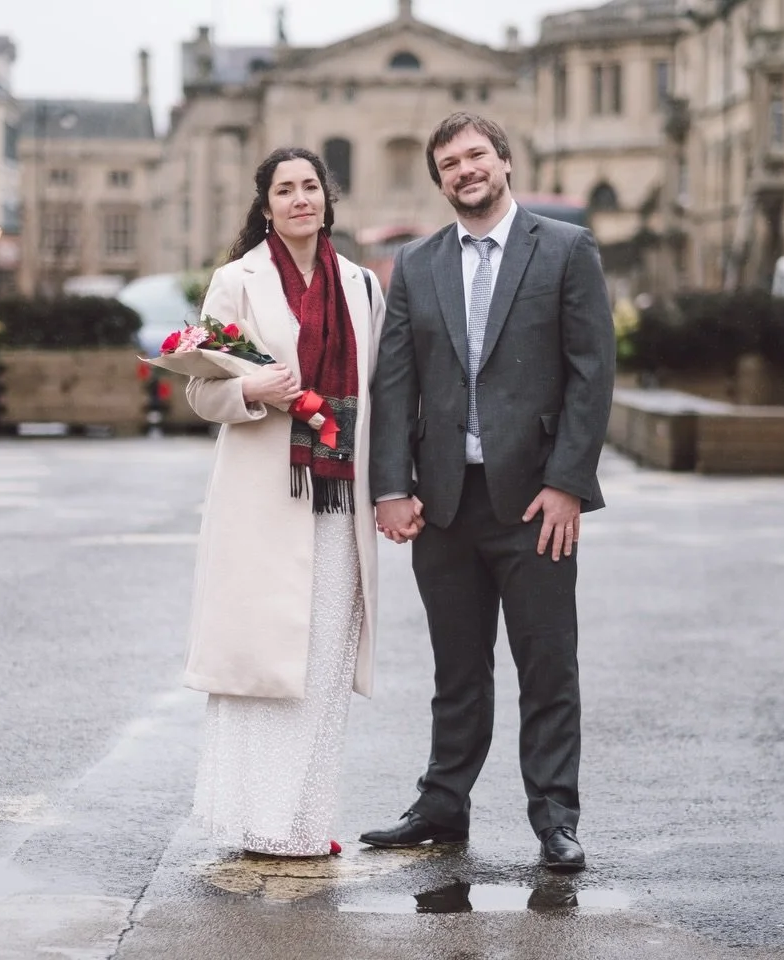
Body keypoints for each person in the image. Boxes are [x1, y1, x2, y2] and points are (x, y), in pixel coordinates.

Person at [363, 113, 615, 872]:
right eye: (449, 163)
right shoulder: (417, 262)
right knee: (457, 667)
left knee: (547, 663)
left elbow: (591, 373)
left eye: (476, 156)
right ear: (439, 179)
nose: (465, 170)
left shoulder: (566, 250)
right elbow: (394, 379)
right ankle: (443, 806)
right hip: (443, 502)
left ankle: (555, 818)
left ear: (504, 162)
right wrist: (391, 488)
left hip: (535, 502)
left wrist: (568, 482)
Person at [183, 146, 385, 857]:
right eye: (285, 189)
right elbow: (199, 389)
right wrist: (250, 391)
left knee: (324, 665)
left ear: (328, 199)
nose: (301, 199)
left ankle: (303, 820)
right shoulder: (234, 281)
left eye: (311, 187)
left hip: (340, 499)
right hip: (264, 500)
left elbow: (380, 392)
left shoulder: (361, 284)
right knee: (267, 663)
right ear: (265, 205)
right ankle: (258, 819)